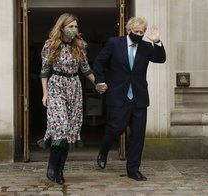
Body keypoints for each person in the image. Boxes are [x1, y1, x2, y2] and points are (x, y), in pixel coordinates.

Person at [93, 16, 166, 181]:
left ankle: (133, 170)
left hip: (139, 98)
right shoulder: (114, 43)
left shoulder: (147, 47)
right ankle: (104, 150)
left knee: (138, 135)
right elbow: (99, 62)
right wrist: (101, 80)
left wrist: (157, 41)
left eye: (142, 32)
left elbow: (161, 59)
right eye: (136, 31)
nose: (139, 34)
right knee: (115, 129)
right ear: (129, 30)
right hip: (119, 96)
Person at [37, 13, 95, 185]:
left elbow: (85, 69)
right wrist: (45, 93)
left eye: (76, 27)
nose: (74, 30)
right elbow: (44, 70)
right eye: (70, 27)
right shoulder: (50, 45)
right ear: (62, 27)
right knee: (60, 127)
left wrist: (97, 83)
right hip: (56, 85)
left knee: (70, 131)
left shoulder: (80, 45)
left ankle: (60, 169)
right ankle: (51, 165)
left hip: (75, 87)